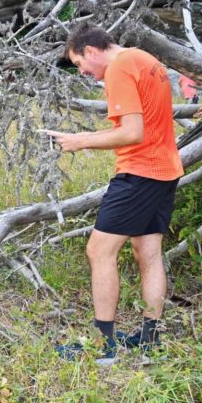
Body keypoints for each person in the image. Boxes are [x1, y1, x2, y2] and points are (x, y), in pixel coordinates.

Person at [48, 24, 184, 364]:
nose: (85, 73)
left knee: (99, 251)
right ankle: (149, 340)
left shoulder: (120, 67)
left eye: (80, 64)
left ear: (91, 51)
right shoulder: (145, 59)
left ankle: (103, 346)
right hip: (165, 170)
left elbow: (132, 132)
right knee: (148, 254)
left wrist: (81, 140)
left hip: (138, 173)